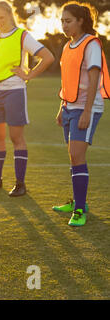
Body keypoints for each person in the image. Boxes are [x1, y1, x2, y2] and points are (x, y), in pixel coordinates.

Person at [0, 0, 54, 196]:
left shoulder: (22, 36)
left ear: (10, 16)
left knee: (16, 137)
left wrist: (29, 75)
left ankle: (20, 184)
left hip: (14, 91)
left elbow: (48, 57)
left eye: (1, 17)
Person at [52, 2, 109, 227]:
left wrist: (87, 111)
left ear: (81, 21)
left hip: (86, 108)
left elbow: (94, 78)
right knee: (73, 156)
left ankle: (79, 210)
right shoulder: (68, 46)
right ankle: (78, 201)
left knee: (77, 155)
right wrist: (61, 108)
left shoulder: (91, 44)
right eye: (62, 21)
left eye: (68, 21)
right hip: (69, 107)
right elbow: (68, 81)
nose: (64, 25)